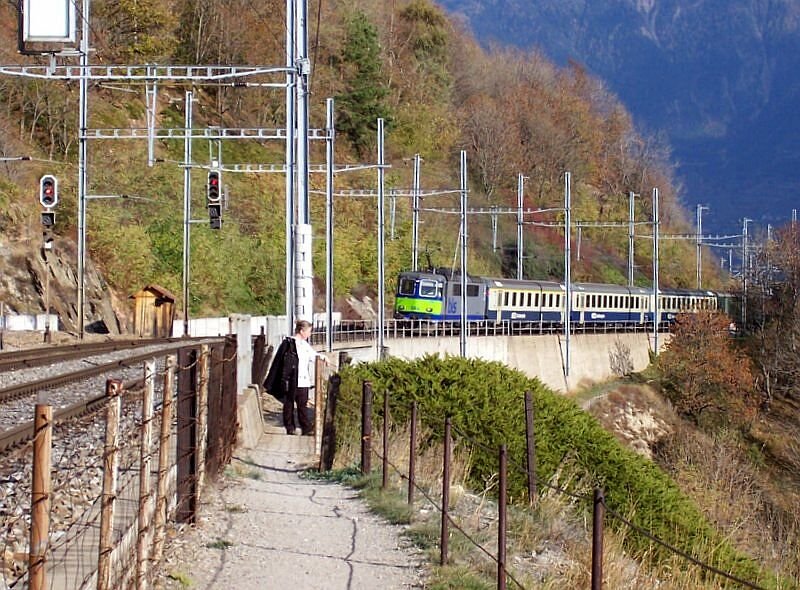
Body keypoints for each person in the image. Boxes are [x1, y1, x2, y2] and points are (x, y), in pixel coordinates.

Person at [264, 320, 317, 435]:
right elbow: (279, 363)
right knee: (289, 404)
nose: (310, 334)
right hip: (291, 379)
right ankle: (290, 427)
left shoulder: (305, 345)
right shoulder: (288, 343)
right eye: (309, 331)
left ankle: (306, 428)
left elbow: (313, 355)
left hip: (303, 380)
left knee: (302, 405)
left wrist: (323, 358)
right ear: (302, 331)